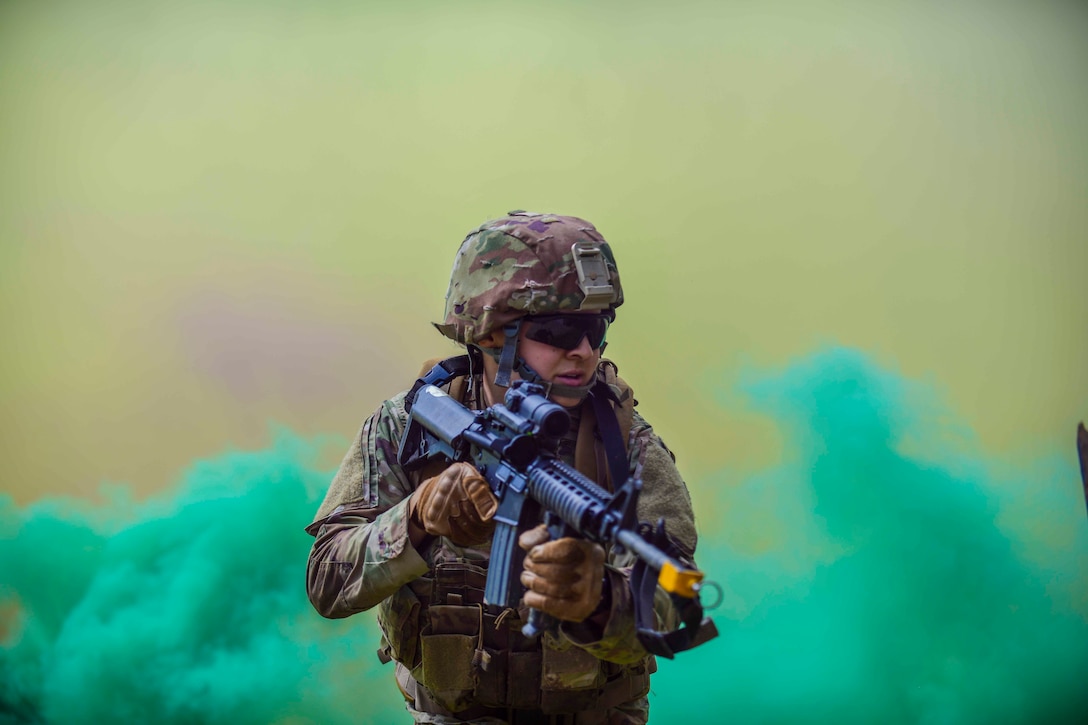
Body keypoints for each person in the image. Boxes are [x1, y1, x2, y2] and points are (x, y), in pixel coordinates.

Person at [306, 211, 701, 724]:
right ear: (492, 334)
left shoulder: (624, 446)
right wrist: (416, 520)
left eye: (596, 329)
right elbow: (327, 585)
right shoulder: (409, 424)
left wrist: (602, 600)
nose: (583, 350)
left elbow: (681, 607)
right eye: (560, 329)